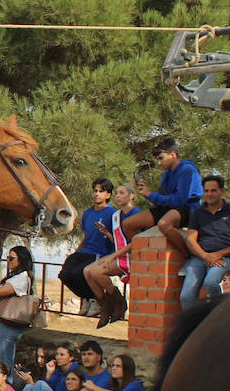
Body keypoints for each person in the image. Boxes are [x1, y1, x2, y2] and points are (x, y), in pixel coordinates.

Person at [124, 137, 203, 255]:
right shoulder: (166, 174)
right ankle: (145, 254)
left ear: (172, 155)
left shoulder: (188, 170)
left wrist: (151, 194)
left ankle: (187, 255)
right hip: (170, 209)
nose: (159, 163)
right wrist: (147, 193)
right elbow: (162, 200)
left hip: (189, 209)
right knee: (128, 224)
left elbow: (180, 201)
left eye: (161, 158)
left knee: (164, 224)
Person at [180, 175, 230, 310]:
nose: (209, 194)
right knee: (186, 296)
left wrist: (218, 254)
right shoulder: (198, 213)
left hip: (223, 258)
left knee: (211, 283)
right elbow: (190, 239)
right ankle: (193, 328)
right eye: (206, 191)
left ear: (222, 191)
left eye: (213, 190)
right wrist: (205, 256)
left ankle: (218, 314)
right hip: (200, 258)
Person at [83, 183, 143, 327]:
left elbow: (138, 241)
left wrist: (114, 255)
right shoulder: (116, 215)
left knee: (97, 272)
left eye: (122, 193)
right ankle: (105, 305)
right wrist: (106, 233)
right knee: (87, 271)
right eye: (117, 193)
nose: (117, 196)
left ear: (132, 196)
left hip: (132, 257)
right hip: (120, 254)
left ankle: (118, 302)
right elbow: (118, 241)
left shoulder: (137, 213)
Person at [60, 179, 115, 316]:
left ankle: (97, 300)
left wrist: (106, 233)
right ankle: (87, 298)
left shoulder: (112, 213)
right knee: (65, 274)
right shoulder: (87, 213)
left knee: (79, 272)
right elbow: (86, 236)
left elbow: (117, 239)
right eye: (95, 191)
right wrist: (76, 252)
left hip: (100, 253)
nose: (97, 194)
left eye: (101, 191)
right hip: (84, 251)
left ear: (108, 195)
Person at [0, 245, 35, 369]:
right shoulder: (15, 276)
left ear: (21, 260)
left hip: (8, 325)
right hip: (0, 323)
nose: (8, 261)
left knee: (4, 363)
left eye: (11, 258)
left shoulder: (22, 278)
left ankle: (8, 387)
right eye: (7, 258)